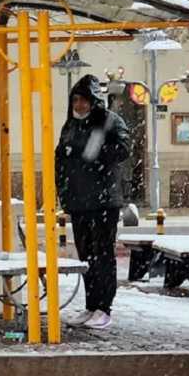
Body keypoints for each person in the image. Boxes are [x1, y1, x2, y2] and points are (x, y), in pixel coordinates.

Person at [57, 74, 130, 330]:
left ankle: (103, 307)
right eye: (75, 100)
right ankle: (91, 305)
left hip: (103, 202)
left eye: (84, 100)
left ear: (93, 101)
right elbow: (61, 160)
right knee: (86, 256)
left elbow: (123, 149)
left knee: (103, 255)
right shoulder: (71, 126)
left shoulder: (109, 121)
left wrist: (95, 152)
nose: (79, 105)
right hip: (79, 203)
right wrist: (64, 193)